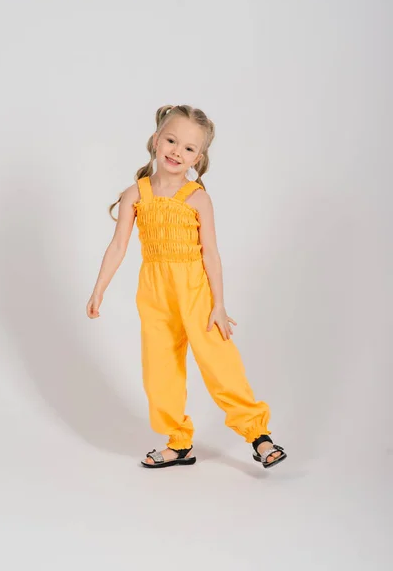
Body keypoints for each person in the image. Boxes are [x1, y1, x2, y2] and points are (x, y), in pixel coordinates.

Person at [86, 104, 287, 470]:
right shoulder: (136, 194)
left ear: (200, 156)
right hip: (155, 293)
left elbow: (211, 254)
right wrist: (99, 288)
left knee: (219, 362)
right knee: (159, 368)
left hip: (196, 292)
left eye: (189, 148)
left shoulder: (197, 198)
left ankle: (259, 436)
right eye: (172, 140)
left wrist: (219, 304)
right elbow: (118, 246)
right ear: (155, 140)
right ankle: (178, 442)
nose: (178, 151)